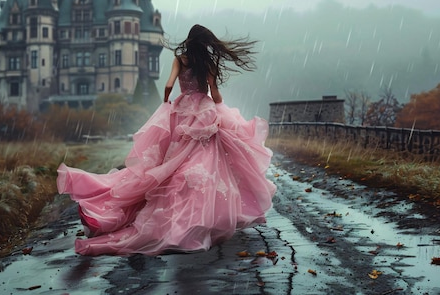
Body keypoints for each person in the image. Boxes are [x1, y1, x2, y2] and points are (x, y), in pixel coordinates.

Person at [57, 24, 277, 256]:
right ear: (205, 43)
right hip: (204, 110)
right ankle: (200, 220)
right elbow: (214, 91)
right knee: (208, 163)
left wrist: (166, 102)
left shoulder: (180, 60)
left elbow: (170, 84)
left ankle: (165, 216)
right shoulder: (207, 63)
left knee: (172, 161)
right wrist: (218, 104)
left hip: (182, 109)